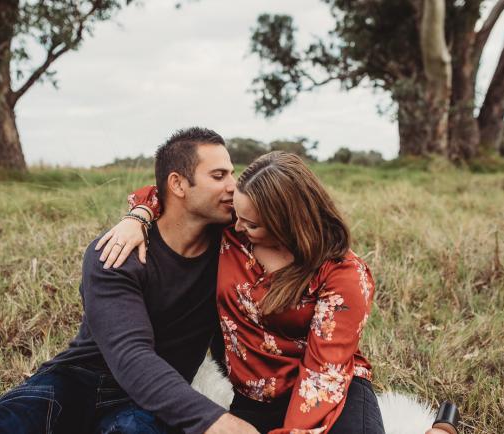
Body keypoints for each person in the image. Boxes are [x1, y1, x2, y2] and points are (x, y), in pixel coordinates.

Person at [0, 127, 259, 434]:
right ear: (178, 184)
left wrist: (140, 210)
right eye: (219, 176)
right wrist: (213, 420)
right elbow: (131, 354)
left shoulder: (233, 247)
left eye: (232, 174)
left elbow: (285, 210)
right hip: (79, 378)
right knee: (7, 424)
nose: (232, 186)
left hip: (154, 397)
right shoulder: (116, 252)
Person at [99, 151, 386, 433]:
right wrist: (138, 216)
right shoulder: (234, 235)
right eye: (237, 214)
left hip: (330, 394)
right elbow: (175, 195)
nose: (237, 225)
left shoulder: (342, 273)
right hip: (255, 398)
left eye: (252, 224)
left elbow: (323, 374)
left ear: (287, 222)